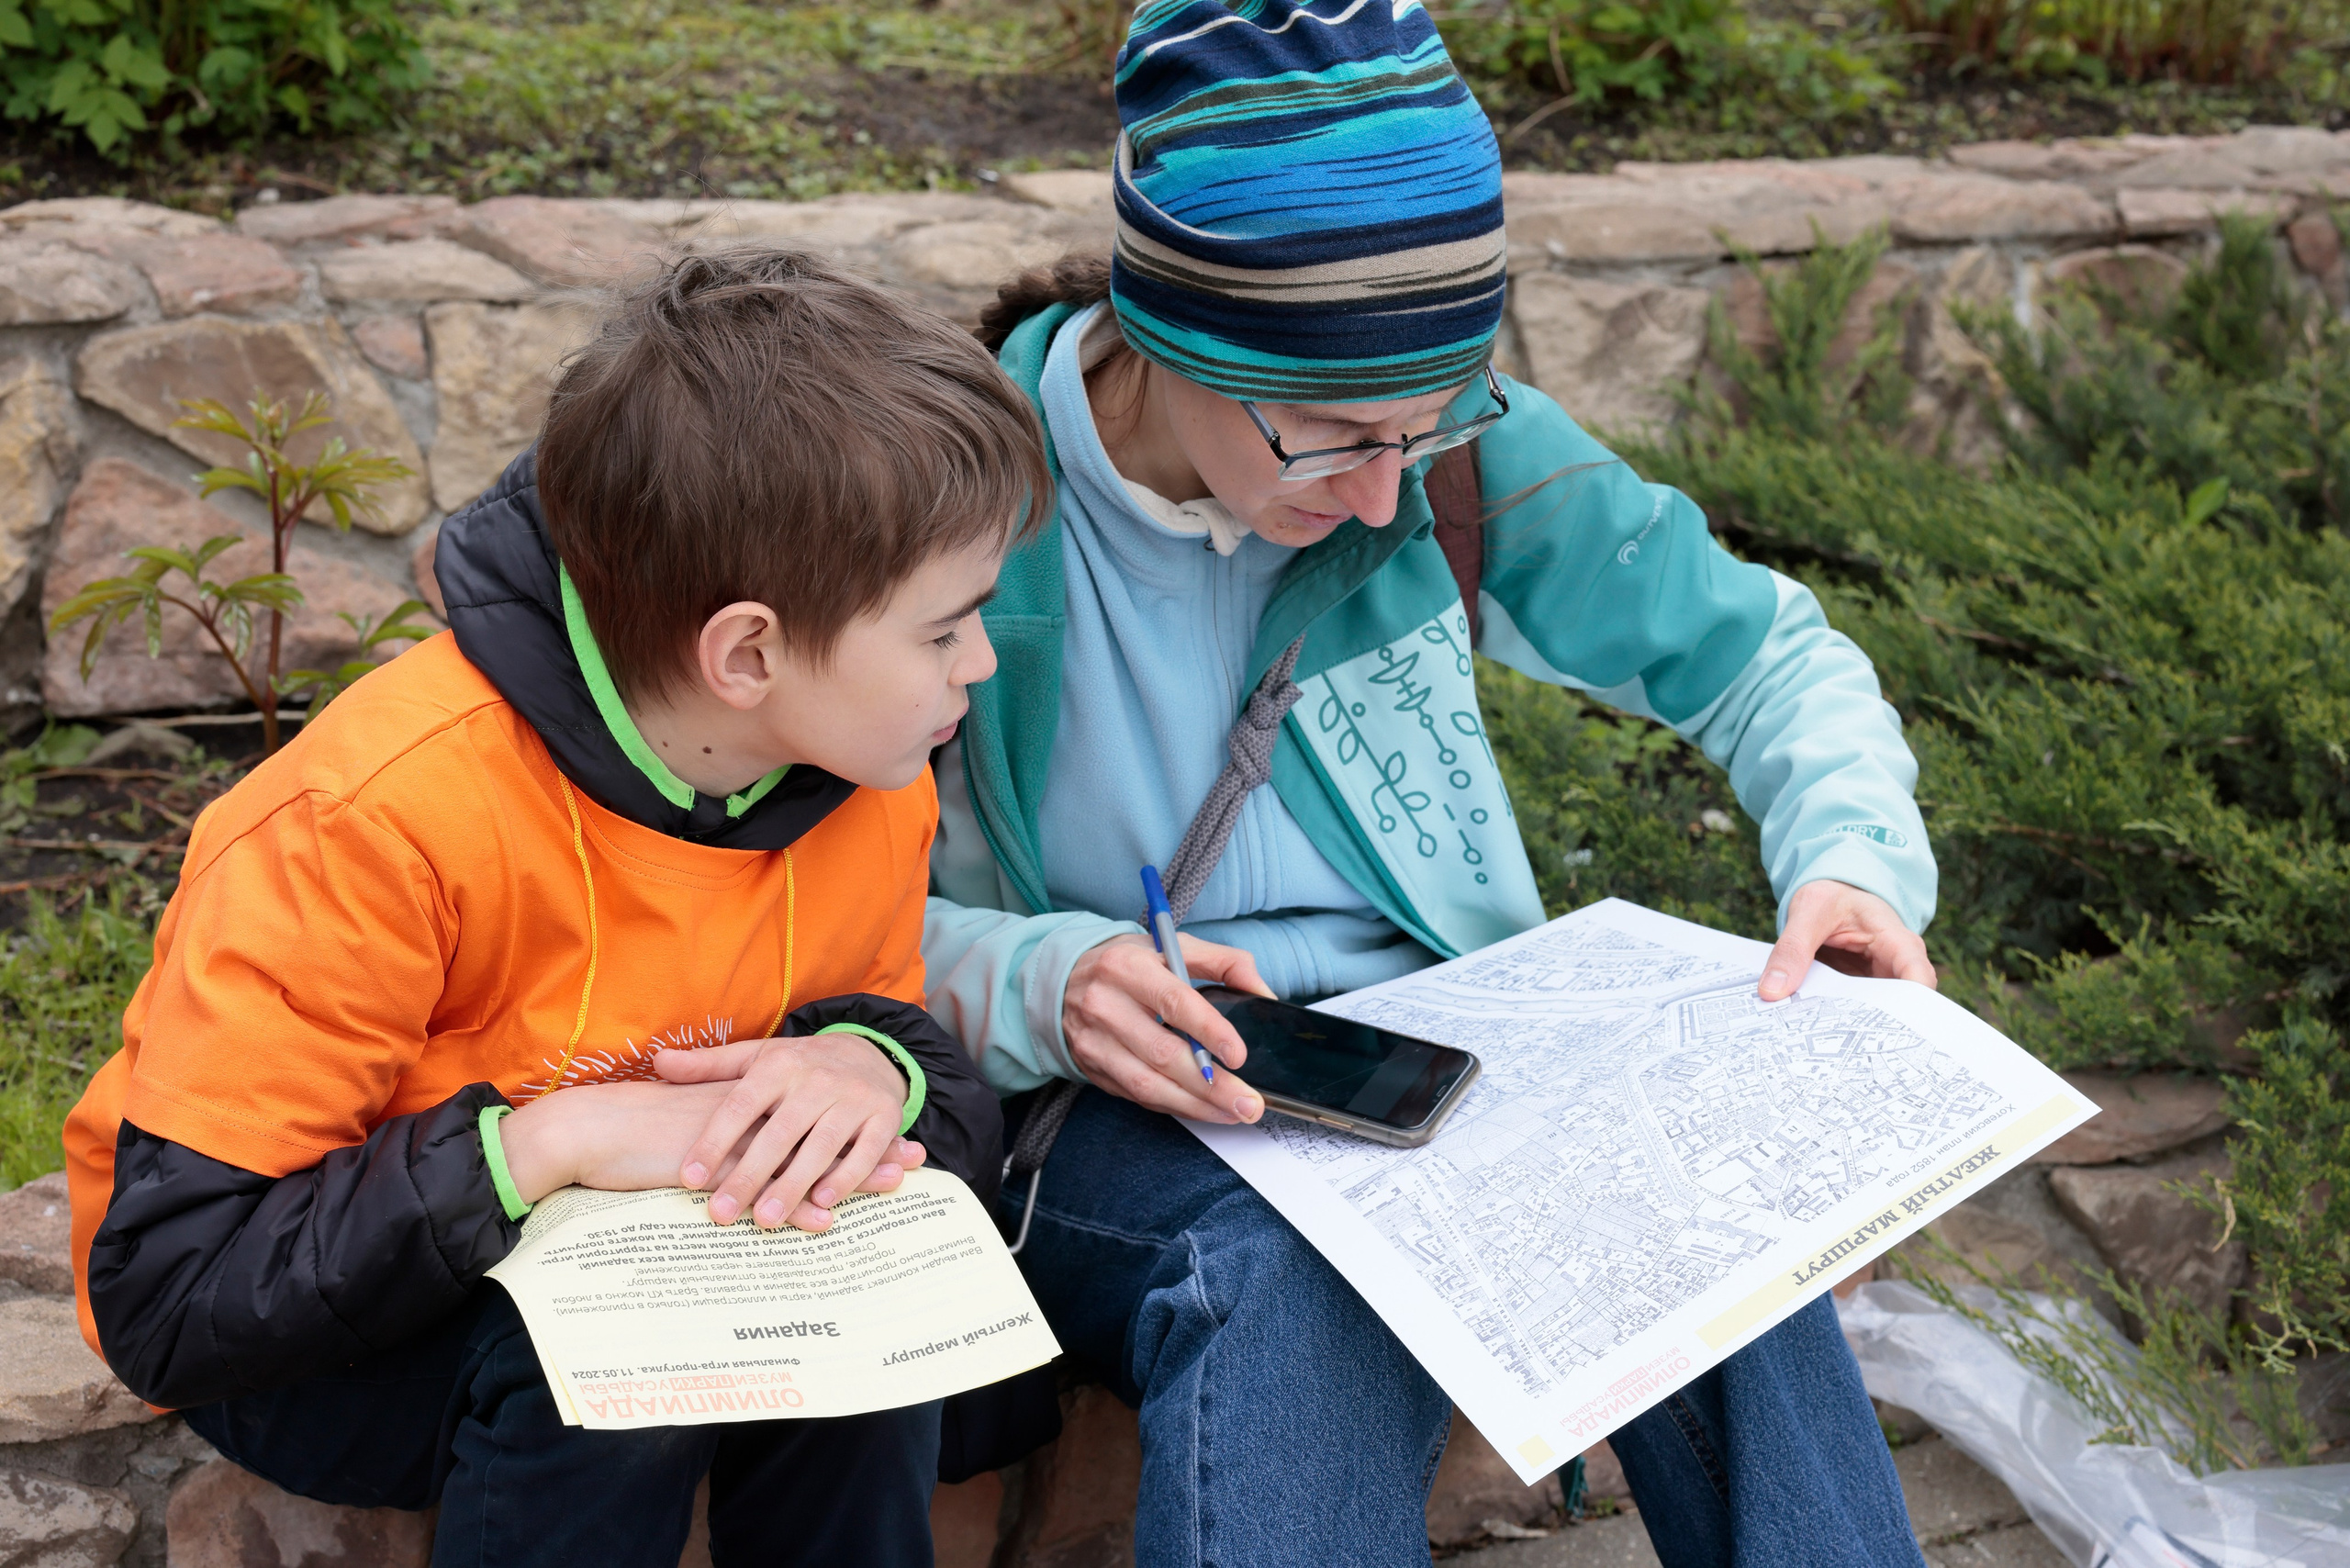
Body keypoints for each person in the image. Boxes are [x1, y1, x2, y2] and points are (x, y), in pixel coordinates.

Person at [923, 4, 1937, 1566]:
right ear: (1174, 336)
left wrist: (1852, 861)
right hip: (1100, 1105)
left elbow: (1767, 658)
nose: (1387, 493)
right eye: (1332, 438)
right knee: (1293, 1270)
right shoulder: (938, 503)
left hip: (1448, 1063)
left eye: (1431, 423)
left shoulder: (1449, 458)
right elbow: (779, 907)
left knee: (1708, 1196)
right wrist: (1041, 979)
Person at [61, 248, 1043, 1568]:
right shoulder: (372, 820)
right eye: (943, 630)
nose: (981, 662)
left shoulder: (870, 775)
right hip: (325, 1336)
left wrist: (870, 1069)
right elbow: (180, 1295)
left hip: (673, 1260)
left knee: (874, 1321)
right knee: (608, 1378)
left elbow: (895, 1042)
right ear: (747, 652)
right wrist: (547, 1145)